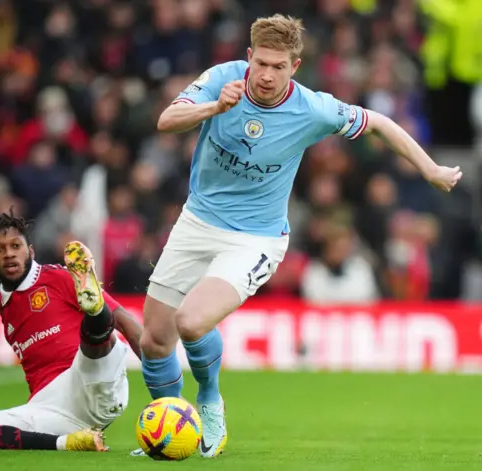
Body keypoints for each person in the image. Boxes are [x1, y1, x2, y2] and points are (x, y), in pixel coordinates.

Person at [135, 14, 462, 458]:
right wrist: (214, 107)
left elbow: (381, 124)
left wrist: (431, 169)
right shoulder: (221, 79)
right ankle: (168, 430)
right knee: (153, 340)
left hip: (256, 237)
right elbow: (167, 120)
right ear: (249, 57)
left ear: (296, 66)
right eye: (261, 64)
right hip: (197, 221)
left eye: (279, 66)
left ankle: (210, 400)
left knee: (190, 322)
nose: (267, 75)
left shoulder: (314, 108)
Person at [0, 204, 143, 452]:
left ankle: (96, 311)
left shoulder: (58, 277)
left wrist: (164, 390)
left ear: (30, 251)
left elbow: (126, 322)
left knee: (94, 333)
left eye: (15, 247)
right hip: (51, 408)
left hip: (90, 376)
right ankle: (66, 443)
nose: (9, 254)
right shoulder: (5, 310)